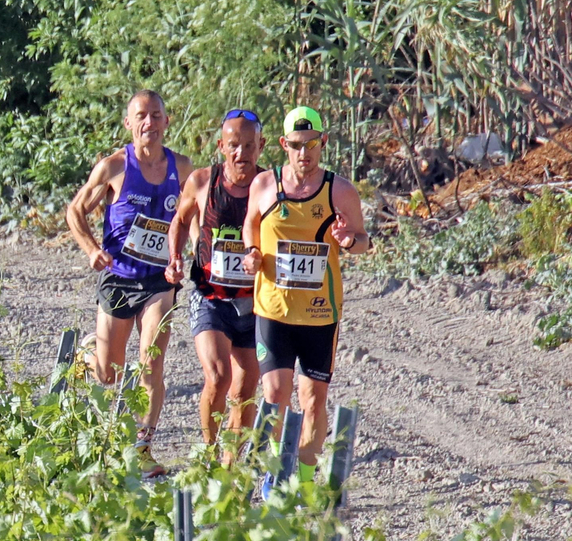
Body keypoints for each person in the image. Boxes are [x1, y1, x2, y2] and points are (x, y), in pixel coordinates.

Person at [242, 106, 370, 494]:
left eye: (311, 145)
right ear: (283, 145)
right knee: (276, 395)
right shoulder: (265, 185)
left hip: (319, 314)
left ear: (323, 143)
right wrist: (251, 252)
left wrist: (349, 241)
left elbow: (364, 240)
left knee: (313, 401)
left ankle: (310, 481)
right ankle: (275, 475)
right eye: (296, 146)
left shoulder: (340, 191)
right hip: (273, 310)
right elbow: (251, 222)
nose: (304, 154)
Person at [65, 90, 192, 460]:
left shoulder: (181, 168)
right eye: (141, 116)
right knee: (109, 375)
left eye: (156, 115)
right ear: (128, 123)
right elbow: (75, 211)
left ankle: (143, 448)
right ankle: (88, 357)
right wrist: (92, 250)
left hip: (159, 281)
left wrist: (186, 253)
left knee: (151, 362)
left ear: (167, 122)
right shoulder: (114, 167)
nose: (149, 123)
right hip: (119, 276)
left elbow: (193, 215)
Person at [165, 109, 264, 448]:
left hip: (254, 301)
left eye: (249, 146)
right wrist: (175, 257)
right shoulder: (202, 181)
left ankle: (231, 463)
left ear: (261, 147)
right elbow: (180, 220)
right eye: (234, 145)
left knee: (245, 390)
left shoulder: (270, 186)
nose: (241, 154)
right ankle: (208, 451)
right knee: (219, 377)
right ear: (221, 146)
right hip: (210, 296)